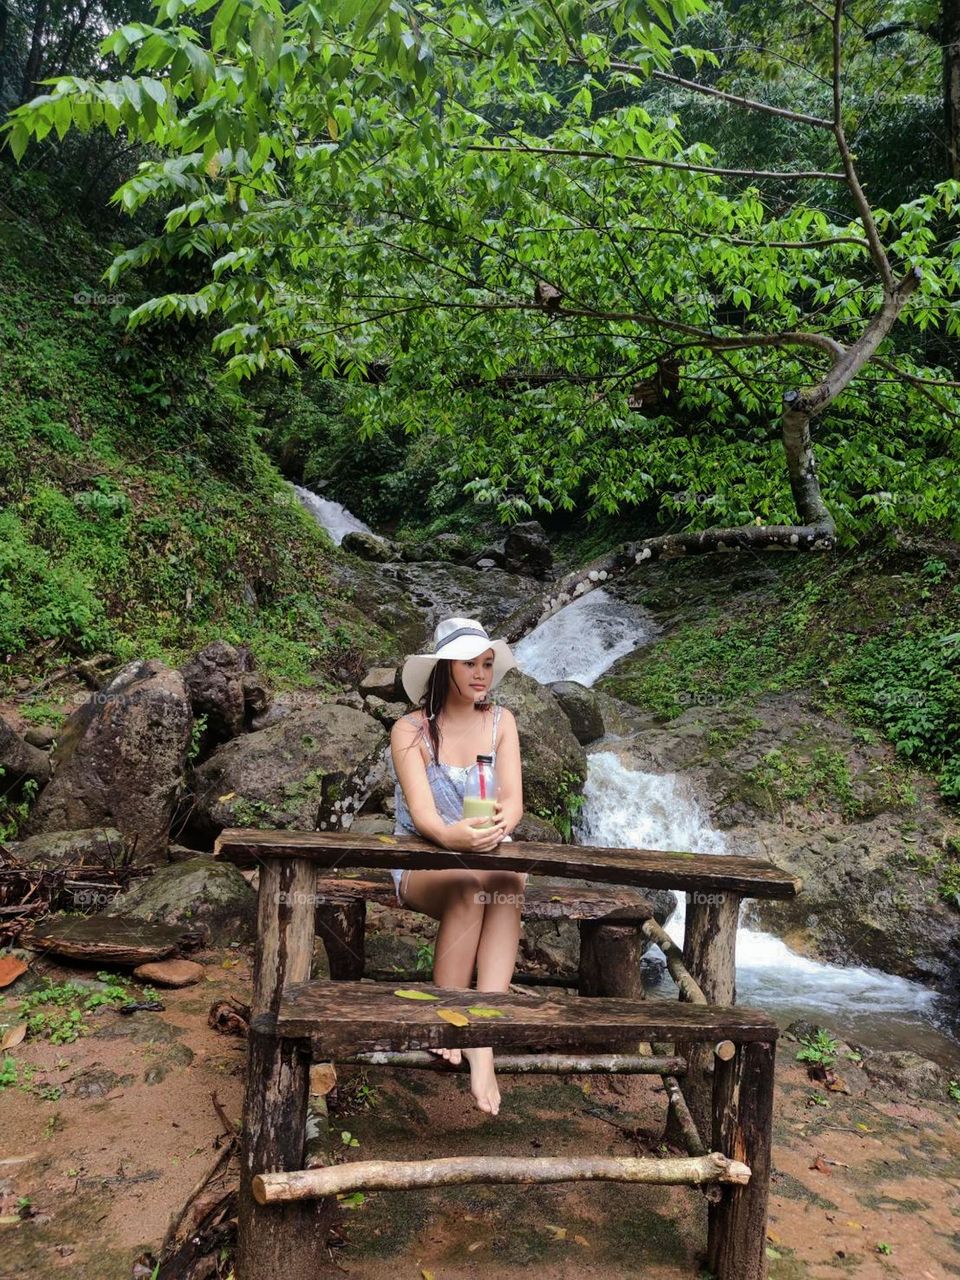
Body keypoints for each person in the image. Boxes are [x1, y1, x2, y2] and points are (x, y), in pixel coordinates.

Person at [390, 616, 527, 1116]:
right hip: (422, 861)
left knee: (509, 880)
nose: (480, 673)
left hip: (485, 854)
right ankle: (450, 1016)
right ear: (445, 668)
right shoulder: (410, 730)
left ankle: (481, 1034)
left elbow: (513, 803)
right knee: (473, 886)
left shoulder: (501, 722)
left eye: (487, 664)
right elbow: (425, 818)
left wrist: (498, 825)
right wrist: (454, 836)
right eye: (470, 663)